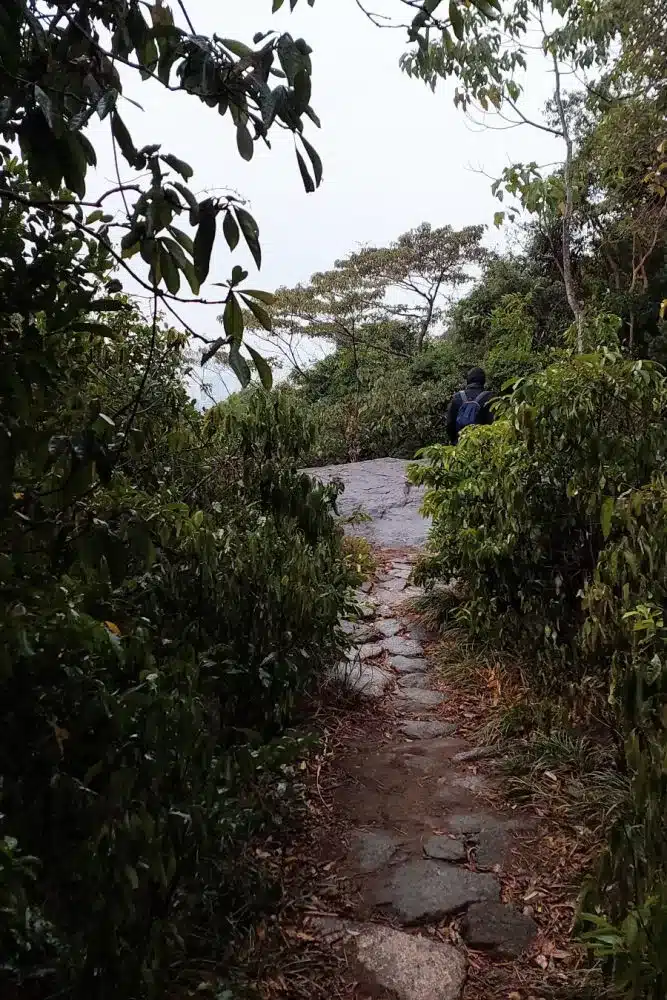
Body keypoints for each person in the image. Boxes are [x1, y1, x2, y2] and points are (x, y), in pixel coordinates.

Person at [446, 367, 494, 445]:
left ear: (468, 380)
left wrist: (454, 441)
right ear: (483, 381)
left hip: (460, 443)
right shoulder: (489, 397)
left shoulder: (457, 397)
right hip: (483, 444)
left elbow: (450, 423)